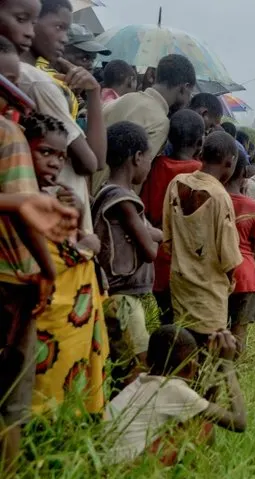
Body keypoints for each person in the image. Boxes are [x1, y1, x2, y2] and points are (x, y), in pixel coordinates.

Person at [0, 41, 76, 464]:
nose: (15, 92)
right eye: (9, 81)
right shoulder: (8, 133)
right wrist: (46, 269)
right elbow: (27, 212)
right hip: (13, 281)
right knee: (12, 401)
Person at [20, 112, 109, 416]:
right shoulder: (22, 199)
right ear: (23, 149)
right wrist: (87, 246)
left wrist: (81, 223)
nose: (56, 162)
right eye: (45, 152)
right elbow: (59, 254)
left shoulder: (58, 198)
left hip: (68, 317)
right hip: (46, 313)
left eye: (61, 156)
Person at [15, 0, 106, 235]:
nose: (65, 38)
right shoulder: (38, 83)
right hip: (58, 219)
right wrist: (94, 92)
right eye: (59, 27)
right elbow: (92, 162)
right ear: (32, 22)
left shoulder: (24, 75)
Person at [104, 326, 247, 466]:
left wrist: (216, 366)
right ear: (192, 366)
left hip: (103, 466)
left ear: (147, 361)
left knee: (197, 417)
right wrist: (226, 365)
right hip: (126, 470)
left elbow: (205, 405)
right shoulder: (173, 389)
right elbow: (239, 422)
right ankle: (204, 475)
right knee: (203, 425)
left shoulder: (140, 381)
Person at [92, 121, 158, 397]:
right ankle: (121, 427)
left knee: (121, 366)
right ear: (138, 157)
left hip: (119, 297)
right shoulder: (124, 200)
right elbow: (149, 250)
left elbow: (148, 230)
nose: (149, 167)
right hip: (122, 301)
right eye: (149, 160)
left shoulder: (112, 193)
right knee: (133, 369)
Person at [163, 131, 242, 347]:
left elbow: (167, 237)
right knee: (207, 357)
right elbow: (229, 256)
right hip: (209, 295)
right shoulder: (220, 197)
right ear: (230, 162)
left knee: (182, 351)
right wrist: (231, 282)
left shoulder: (176, 183)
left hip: (180, 286)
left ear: (201, 153)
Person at [95, 53, 196, 193]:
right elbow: (135, 176)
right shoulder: (160, 122)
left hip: (86, 190)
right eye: (190, 92)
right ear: (184, 87)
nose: (188, 99)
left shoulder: (124, 99)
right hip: (109, 197)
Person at [139, 109, 204, 324]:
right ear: (200, 141)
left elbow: (145, 210)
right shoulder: (200, 173)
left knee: (166, 318)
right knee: (187, 323)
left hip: (160, 259)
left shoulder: (155, 166)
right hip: (189, 261)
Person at [224, 156, 255, 356]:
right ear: (244, 176)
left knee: (214, 330)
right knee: (239, 332)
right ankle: (233, 377)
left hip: (218, 272)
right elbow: (254, 245)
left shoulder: (212, 199)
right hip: (246, 275)